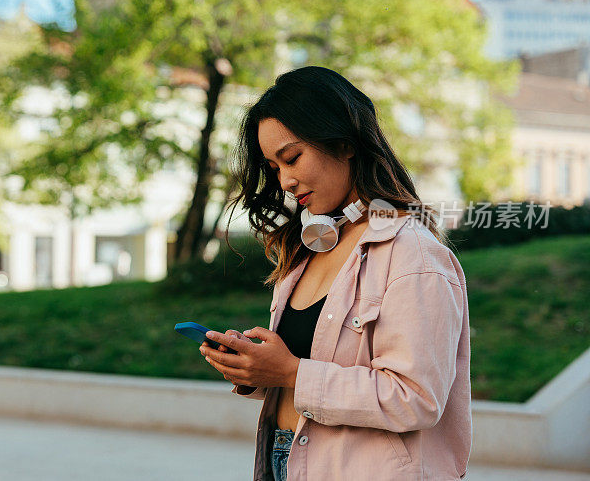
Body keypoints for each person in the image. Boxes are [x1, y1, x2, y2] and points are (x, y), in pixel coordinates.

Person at [199, 66, 471, 480]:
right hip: (283, 459)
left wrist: (290, 371)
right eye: (273, 167)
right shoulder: (307, 250)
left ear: (344, 143)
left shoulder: (413, 256)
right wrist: (257, 370)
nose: (285, 180)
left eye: (292, 157)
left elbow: (416, 398)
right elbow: (309, 370)